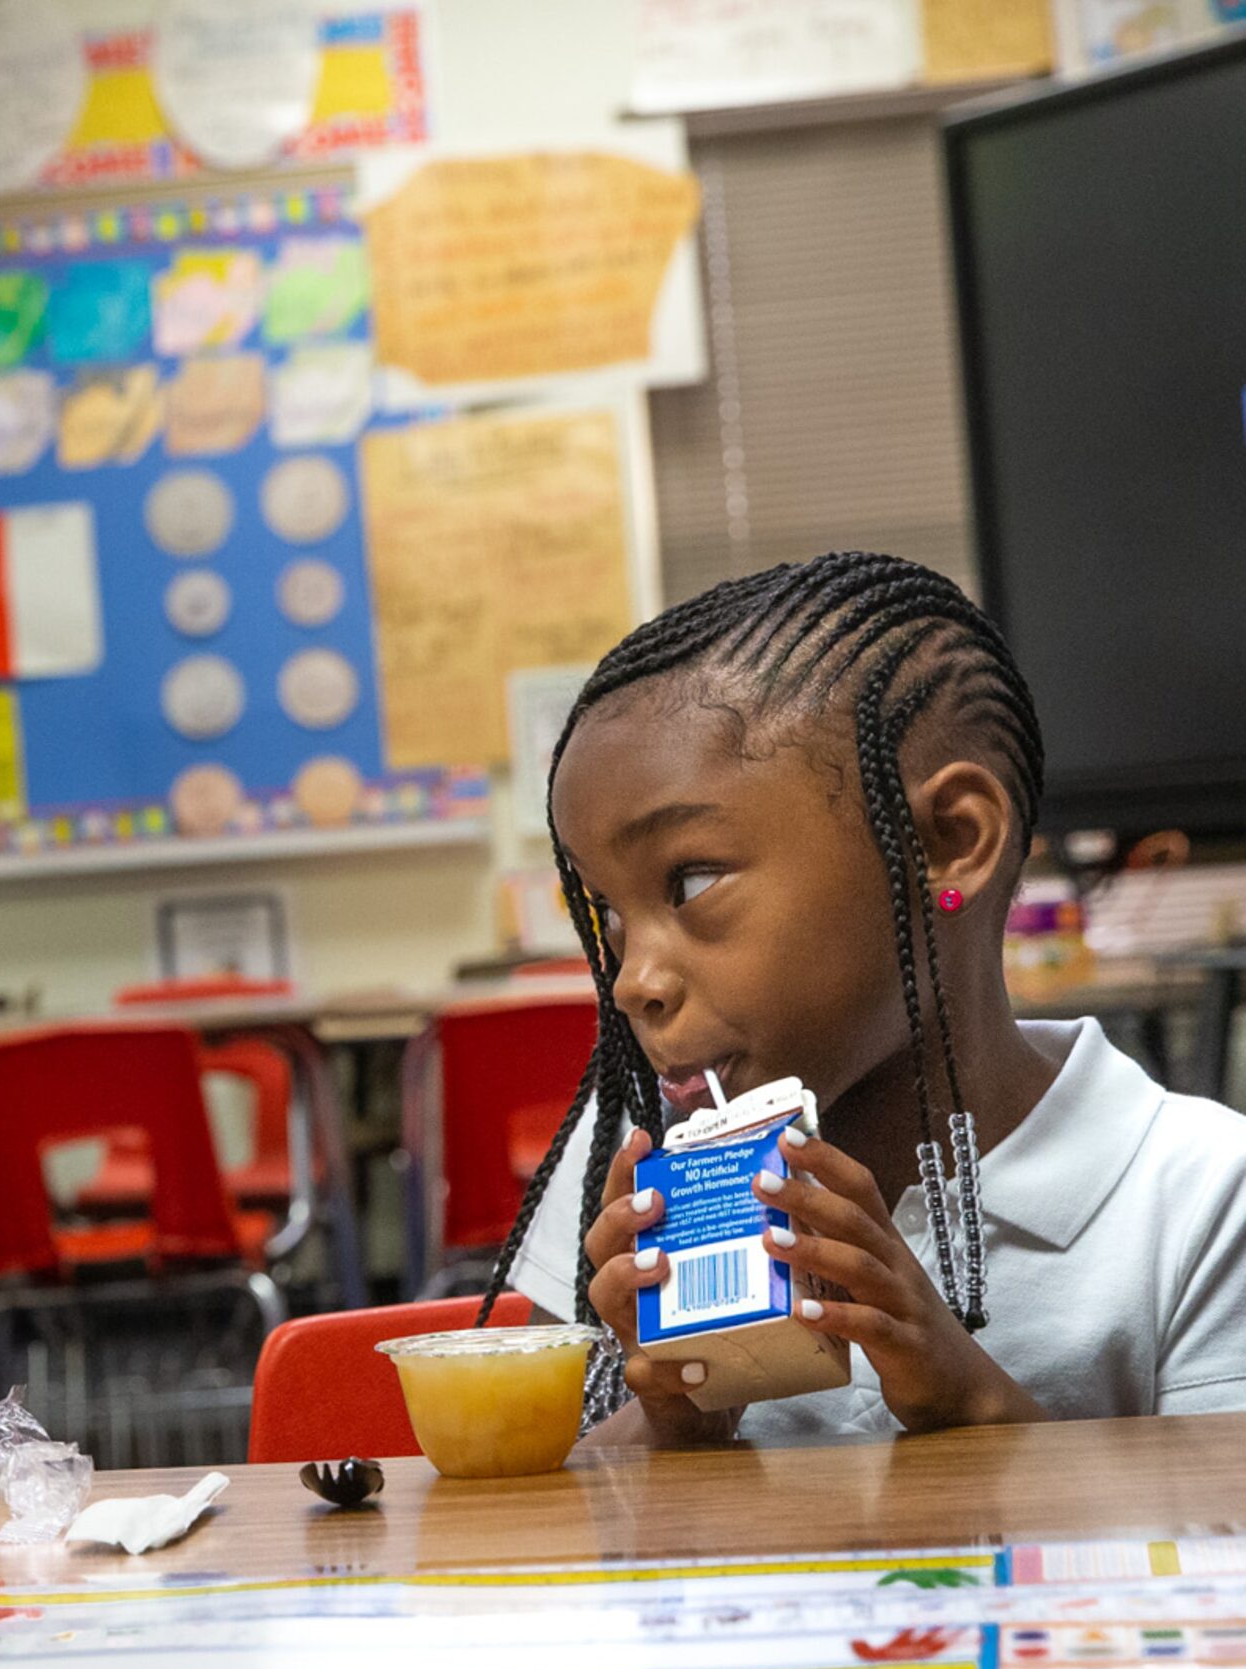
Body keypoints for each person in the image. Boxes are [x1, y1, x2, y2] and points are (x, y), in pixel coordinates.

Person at [480, 552, 1246, 1443]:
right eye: (606, 912)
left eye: (689, 884)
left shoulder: (1198, 1200)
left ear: (948, 842)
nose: (632, 982)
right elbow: (551, 1546)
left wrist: (969, 1405)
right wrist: (674, 1429)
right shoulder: (630, 1157)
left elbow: (1217, 1554)